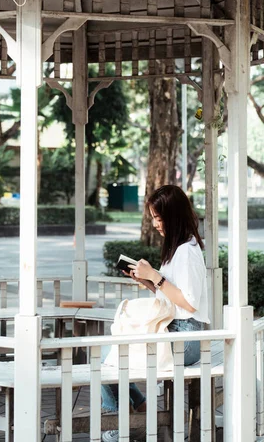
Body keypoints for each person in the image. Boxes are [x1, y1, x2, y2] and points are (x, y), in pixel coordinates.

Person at [101, 184, 209, 442]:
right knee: (110, 353)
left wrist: (156, 278)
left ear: (173, 216)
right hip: (176, 331)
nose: (156, 224)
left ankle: (121, 422)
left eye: (159, 218)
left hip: (186, 337)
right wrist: (147, 281)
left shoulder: (187, 252)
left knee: (108, 359)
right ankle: (139, 406)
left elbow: (189, 303)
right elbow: (171, 297)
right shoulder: (176, 249)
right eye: (153, 218)